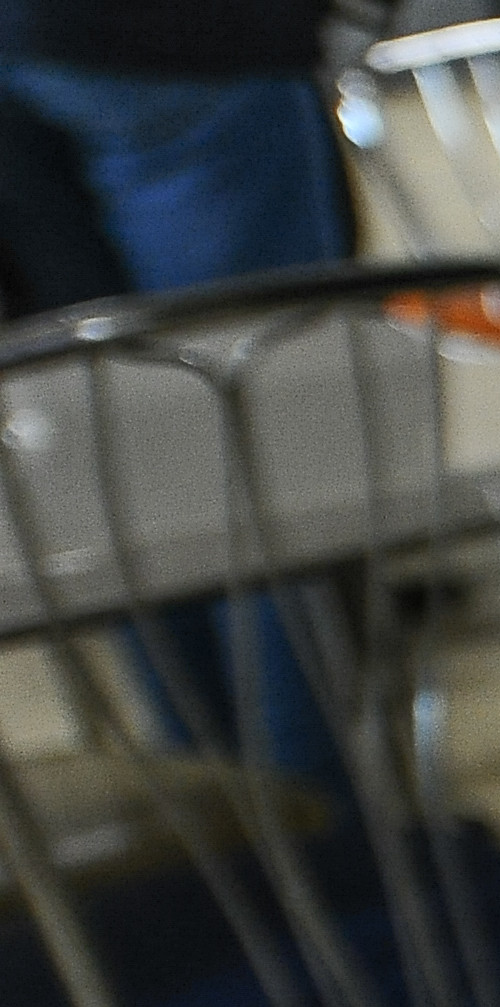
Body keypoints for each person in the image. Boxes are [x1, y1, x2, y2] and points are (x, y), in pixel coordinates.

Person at [0, 0, 354, 795]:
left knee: (117, 448)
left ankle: (215, 827)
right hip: (172, 42)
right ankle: (318, 840)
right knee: (263, 449)